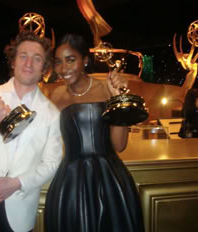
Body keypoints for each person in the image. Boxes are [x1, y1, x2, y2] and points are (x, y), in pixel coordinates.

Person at [0, 30, 63, 232]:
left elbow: (52, 163)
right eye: (23, 56)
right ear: (13, 61)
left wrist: (18, 183)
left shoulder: (52, 113)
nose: (28, 63)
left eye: (37, 59)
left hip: (19, 209)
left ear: (44, 67)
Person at [44, 33, 145, 232]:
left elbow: (119, 146)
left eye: (71, 60)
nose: (64, 68)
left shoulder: (106, 89)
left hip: (108, 178)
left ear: (85, 61)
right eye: (58, 62)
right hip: (70, 179)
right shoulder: (56, 95)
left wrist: (117, 98)